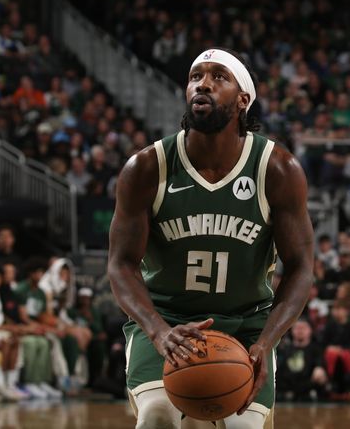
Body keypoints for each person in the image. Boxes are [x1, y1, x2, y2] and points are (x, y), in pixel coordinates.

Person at [107, 48, 314, 429]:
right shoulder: (147, 167)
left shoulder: (277, 169)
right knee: (157, 416)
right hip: (168, 322)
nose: (203, 83)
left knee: (242, 426)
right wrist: (157, 330)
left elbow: (301, 268)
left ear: (242, 100)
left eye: (219, 76)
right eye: (196, 76)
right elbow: (120, 264)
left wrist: (266, 343)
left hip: (247, 325)